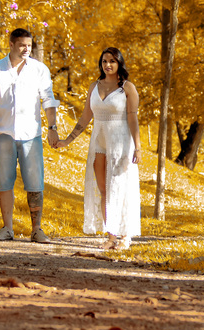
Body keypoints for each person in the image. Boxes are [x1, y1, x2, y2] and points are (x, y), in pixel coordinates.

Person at [0, 28, 60, 242]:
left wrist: (52, 128)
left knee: (35, 182)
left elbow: (48, 100)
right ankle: (7, 229)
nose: (26, 49)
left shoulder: (39, 70)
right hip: (3, 133)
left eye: (29, 46)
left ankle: (37, 229)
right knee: (4, 182)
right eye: (22, 45)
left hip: (30, 134)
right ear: (11, 44)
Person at [56, 47, 141, 249]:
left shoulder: (127, 88)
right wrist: (67, 140)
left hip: (120, 142)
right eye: (104, 61)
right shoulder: (94, 86)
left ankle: (125, 236)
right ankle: (111, 237)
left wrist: (137, 147)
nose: (107, 65)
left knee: (120, 188)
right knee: (104, 189)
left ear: (119, 63)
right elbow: (86, 116)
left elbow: (132, 118)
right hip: (99, 142)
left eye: (112, 61)